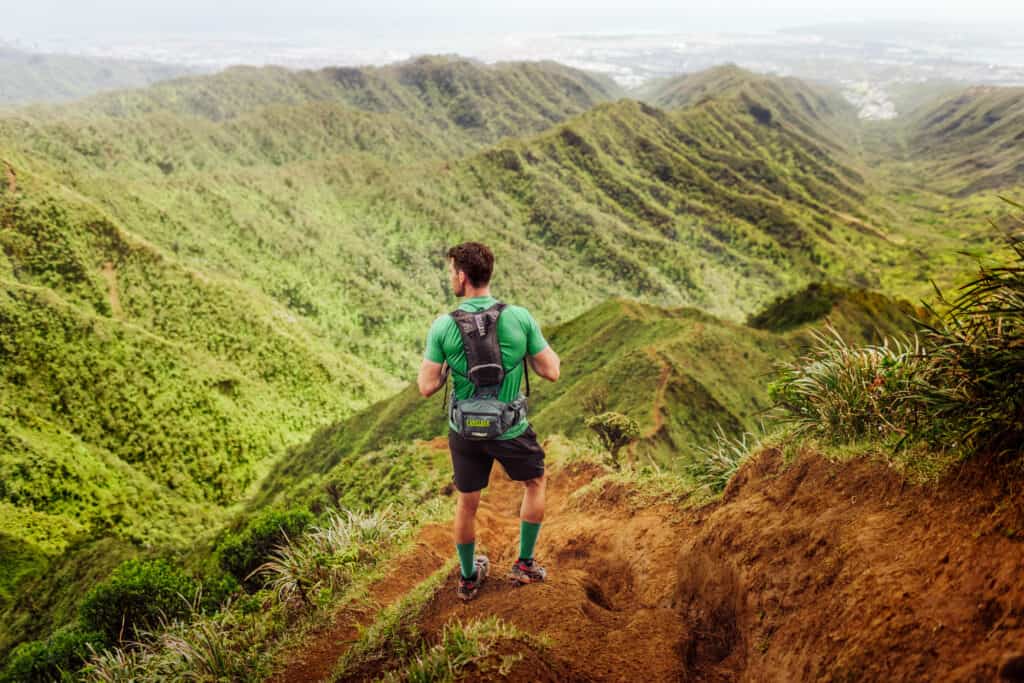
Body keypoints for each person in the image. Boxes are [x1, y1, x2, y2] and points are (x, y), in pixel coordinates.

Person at [418, 242, 561, 601]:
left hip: (464, 432)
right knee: (535, 482)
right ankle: (524, 564)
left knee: (467, 502)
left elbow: (426, 387)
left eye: (452, 272)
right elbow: (552, 372)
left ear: (463, 277)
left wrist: (450, 366)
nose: (451, 277)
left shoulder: (442, 326)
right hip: (509, 428)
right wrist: (522, 352)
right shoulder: (520, 318)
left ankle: (468, 578)